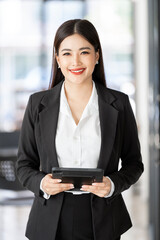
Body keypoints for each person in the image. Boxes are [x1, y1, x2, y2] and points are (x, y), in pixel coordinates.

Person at [16, 19, 144, 240]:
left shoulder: (119, 104)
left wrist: (112, 185)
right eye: (66, 53)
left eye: (84, 52)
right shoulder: (37, 104)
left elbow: (134, 163)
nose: (75, 61)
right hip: (50, 218)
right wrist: (42, 183)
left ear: (97, 55)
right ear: (57, 59)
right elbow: (23, 165)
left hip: (104, 219)